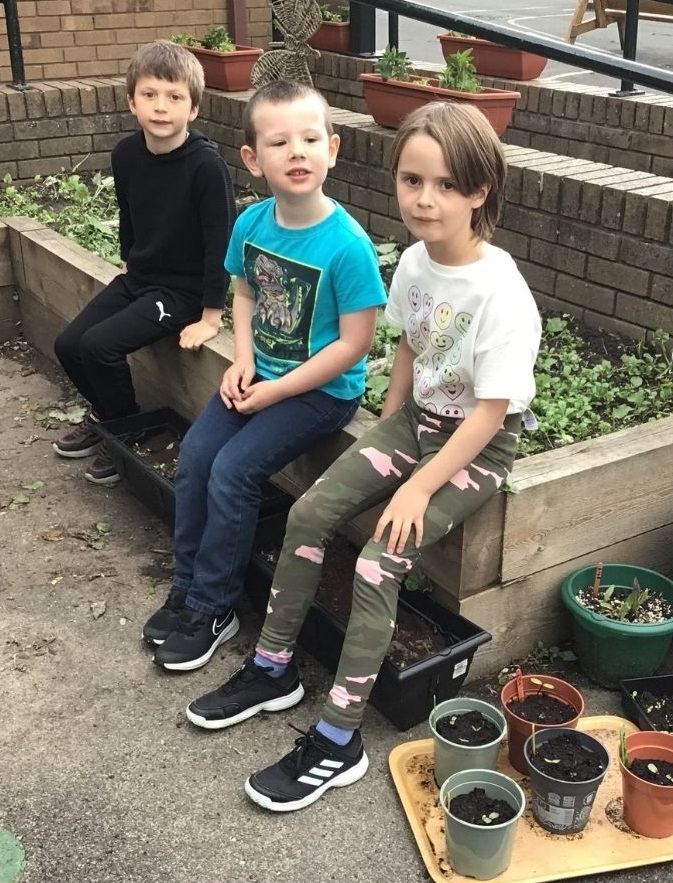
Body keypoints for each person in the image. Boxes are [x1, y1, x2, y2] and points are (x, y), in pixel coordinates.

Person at [190, 102, 541, 812]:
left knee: (379, 558)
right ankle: (270, 669)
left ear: (479, 191)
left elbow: (489, 414)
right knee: (310, 512)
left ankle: (337, 735)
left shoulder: (502, 293)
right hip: (416, 423)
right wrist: (385, 435)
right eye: (411, 180)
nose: (423, 198)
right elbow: (410, 344)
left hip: (474, 445)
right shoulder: (413, 261)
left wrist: (415, 488)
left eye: (444, 185)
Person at [148, 81, 387, 673]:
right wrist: (244, 358)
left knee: (233, 471)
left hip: (319, 392)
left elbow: (357, 344)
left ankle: (213, 606)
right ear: (253, 159)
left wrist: (278, 388)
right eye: (279, 142)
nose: (297, 152)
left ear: (333, 149)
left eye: (310, 139)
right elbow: (245, 291)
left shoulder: (348, 246)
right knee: (197, 456)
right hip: (261, 378)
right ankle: (186, 585)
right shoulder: (253, 223)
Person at [52, 40, 235, 487]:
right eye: (150, 94)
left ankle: (129, 431)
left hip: (183, 292)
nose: (161, 106)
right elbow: (131, 215)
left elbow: (221, 243)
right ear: (132, 101)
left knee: (100, 347)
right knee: (68, 344)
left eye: (175, 97)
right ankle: (107, 415)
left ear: (193, 109)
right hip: (141, 279)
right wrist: (130, 262)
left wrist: (211, 315)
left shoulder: (206, 167)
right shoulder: (126, 154)